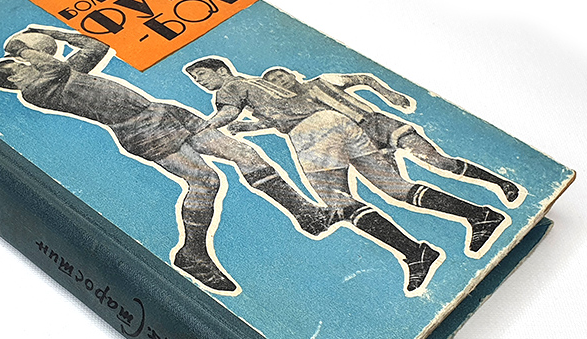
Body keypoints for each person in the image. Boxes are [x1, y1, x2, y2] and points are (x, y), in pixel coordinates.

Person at [0, 26, 345, 294]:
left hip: (164, 112)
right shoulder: (37, 90)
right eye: (19, 65)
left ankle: (305, 214)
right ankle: (192, 254)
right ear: (13, 78)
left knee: (245, 153)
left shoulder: (66, 72)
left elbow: (97, 46)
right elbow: (54, 68)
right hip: (142, 130)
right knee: (206, 181)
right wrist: (22, 47)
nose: (25, 63)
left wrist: (51, 33)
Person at [183, 57, 511, 258]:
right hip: (339, 125)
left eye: (202, 76)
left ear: (221, 70)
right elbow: (281, 113)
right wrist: (253, 126)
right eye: (196, 81)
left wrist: (199, 128)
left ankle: (416, 254)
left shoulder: (229, 87)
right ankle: (479, 215)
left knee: (337, 201)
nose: (200, 83)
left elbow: (227, 112)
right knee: (395, 188)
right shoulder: (258, 85)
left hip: (315, 134)